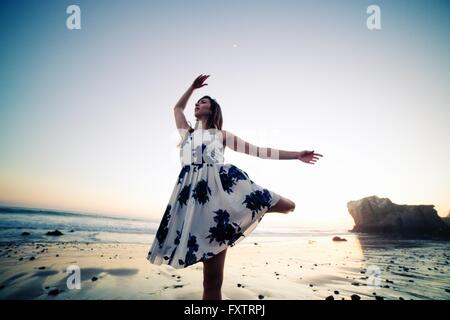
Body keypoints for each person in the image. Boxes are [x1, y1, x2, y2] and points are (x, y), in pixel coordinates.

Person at [147, 74, 323, 300]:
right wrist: (192, 87)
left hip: (222, 193)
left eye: (203, 102)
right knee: (211, 282)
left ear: (212, 110)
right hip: (194, 203)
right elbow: (177, 108)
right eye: (197, 102)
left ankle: (252, 208)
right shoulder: (186, 134)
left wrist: (296, 155)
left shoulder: (221, 135)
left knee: (290, 205)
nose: (197, 104)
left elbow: (260, 151)